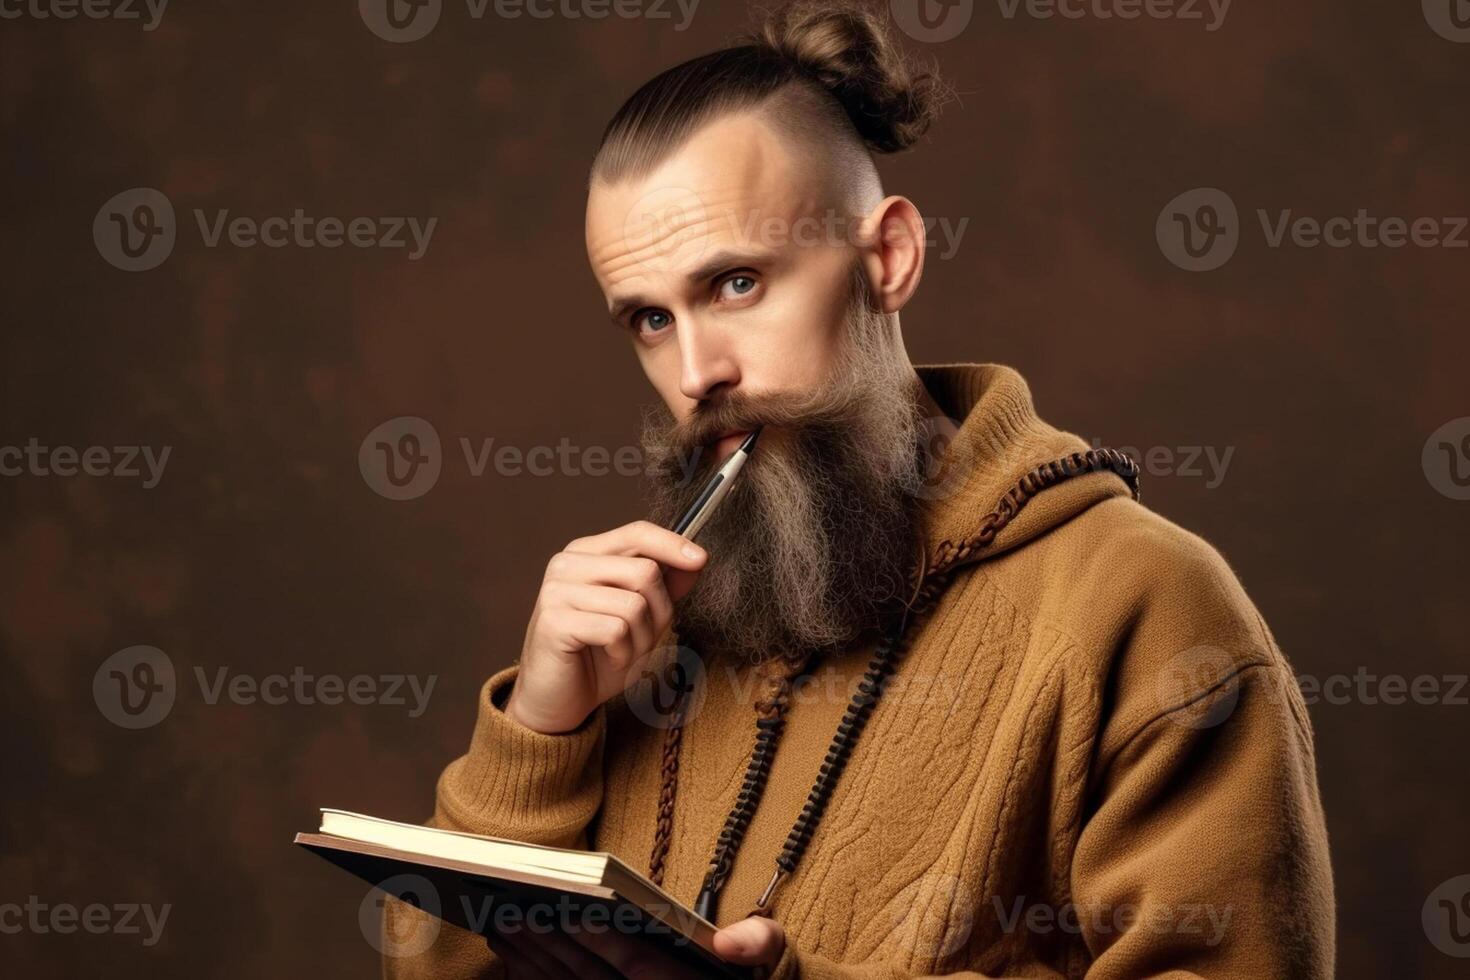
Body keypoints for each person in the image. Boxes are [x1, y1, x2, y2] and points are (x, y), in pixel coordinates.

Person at [383, 2, 1335, 977]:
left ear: (888, 257)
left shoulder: (1144, 604)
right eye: (649, 320)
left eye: (736, 284)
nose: (696, 371)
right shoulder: (638, 641)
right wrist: (540, 733)